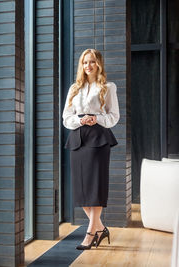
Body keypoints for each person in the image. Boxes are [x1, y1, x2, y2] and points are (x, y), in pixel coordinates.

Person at [62, 48, 120, 250]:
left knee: (95, 186)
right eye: (85, 62)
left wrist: (96, 119)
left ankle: (90, 233)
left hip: (98, 139)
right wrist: (80, 120)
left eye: (92, 62)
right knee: (82, 190)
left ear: (99, 64)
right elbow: (66, 118)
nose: (88, 66)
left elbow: (114, 116)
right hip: (78, 138)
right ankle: (100, 228)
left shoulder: (108, 87)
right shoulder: (74, 88)